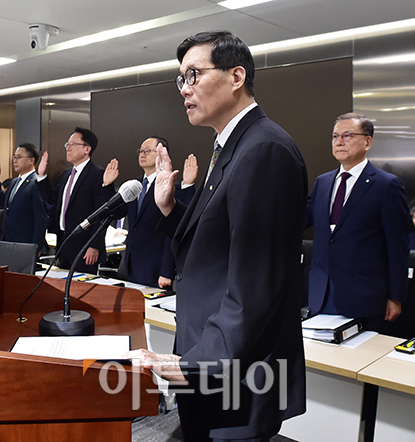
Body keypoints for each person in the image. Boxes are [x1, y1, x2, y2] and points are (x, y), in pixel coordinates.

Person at [127, 31, 307, 441]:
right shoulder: (231, 146)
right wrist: (170, 208)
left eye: (193, 75)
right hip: (212, 354)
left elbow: (257, 283)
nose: (184, 90)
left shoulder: (264, 149)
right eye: (180, 80)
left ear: (236, 75)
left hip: (236, 371)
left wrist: (194, 365)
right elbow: (217, 243)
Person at [304, 113, 409, 332]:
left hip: (365, 296)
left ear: (368, 141)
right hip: (321, 293)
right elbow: (303, 219)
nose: (339, 142)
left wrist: (396, 296)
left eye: (347, 135)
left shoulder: (386, 185)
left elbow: (398, 246)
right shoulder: (323, 182)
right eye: (335, 136)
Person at [119, 136, 197, 288]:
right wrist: (107, 185)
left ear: (162, 153)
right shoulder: (135, 185)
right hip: (132, 264)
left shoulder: (169, 186)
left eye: (147, 150)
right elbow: (118, 214)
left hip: (156, 268)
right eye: (140, 151)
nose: (142, 154)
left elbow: (174, 231)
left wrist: (167, 270)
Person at [39, 127, 116, 273]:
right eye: (67, 144)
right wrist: (42, 177)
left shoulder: (97, 174)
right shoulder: (67, 174)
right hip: (63, 241)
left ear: (87, 149)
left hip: (85, 245)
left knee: (81, 290)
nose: (68, 148)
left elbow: (102, 213)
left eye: (73, 144)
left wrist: (95, 245)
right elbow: (52, 200)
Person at [0, 143, 49, 253]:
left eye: (19, 157)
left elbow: (41, 218)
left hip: (25, 244)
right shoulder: (14, 182)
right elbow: (1, 202)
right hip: (8, 241)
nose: (15, 160)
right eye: (14, 157)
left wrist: (36, 246)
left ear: (31, 160)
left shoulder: (36, 183)